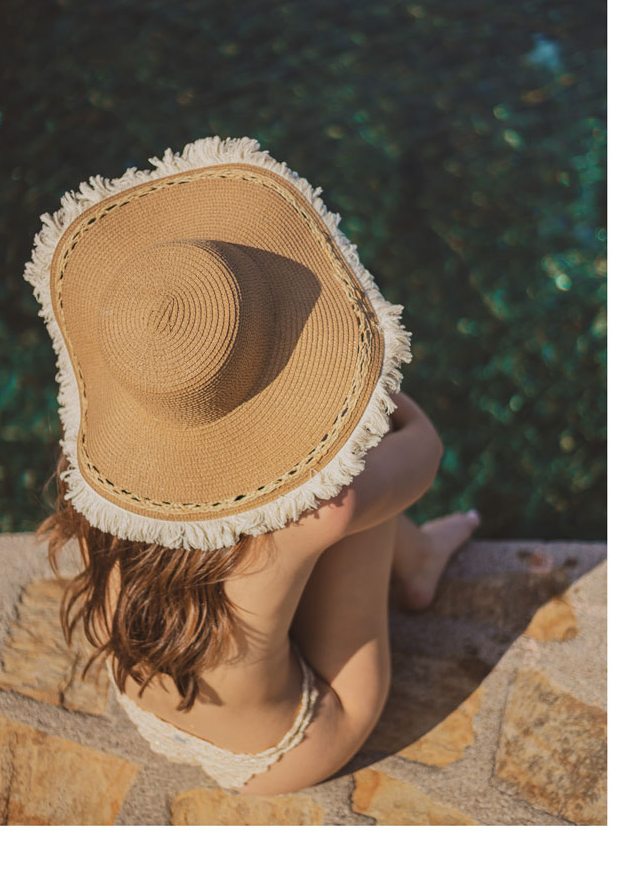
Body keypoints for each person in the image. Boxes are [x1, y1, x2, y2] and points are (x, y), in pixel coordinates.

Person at [25, 136, 481, 796]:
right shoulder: (323, 514)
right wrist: (345, 381)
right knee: (352, 464)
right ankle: (416, 563)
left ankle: (410, 559)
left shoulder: (99, 460)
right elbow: (423, 446)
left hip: (143, 692)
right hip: (281, 752)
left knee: (328, 492)